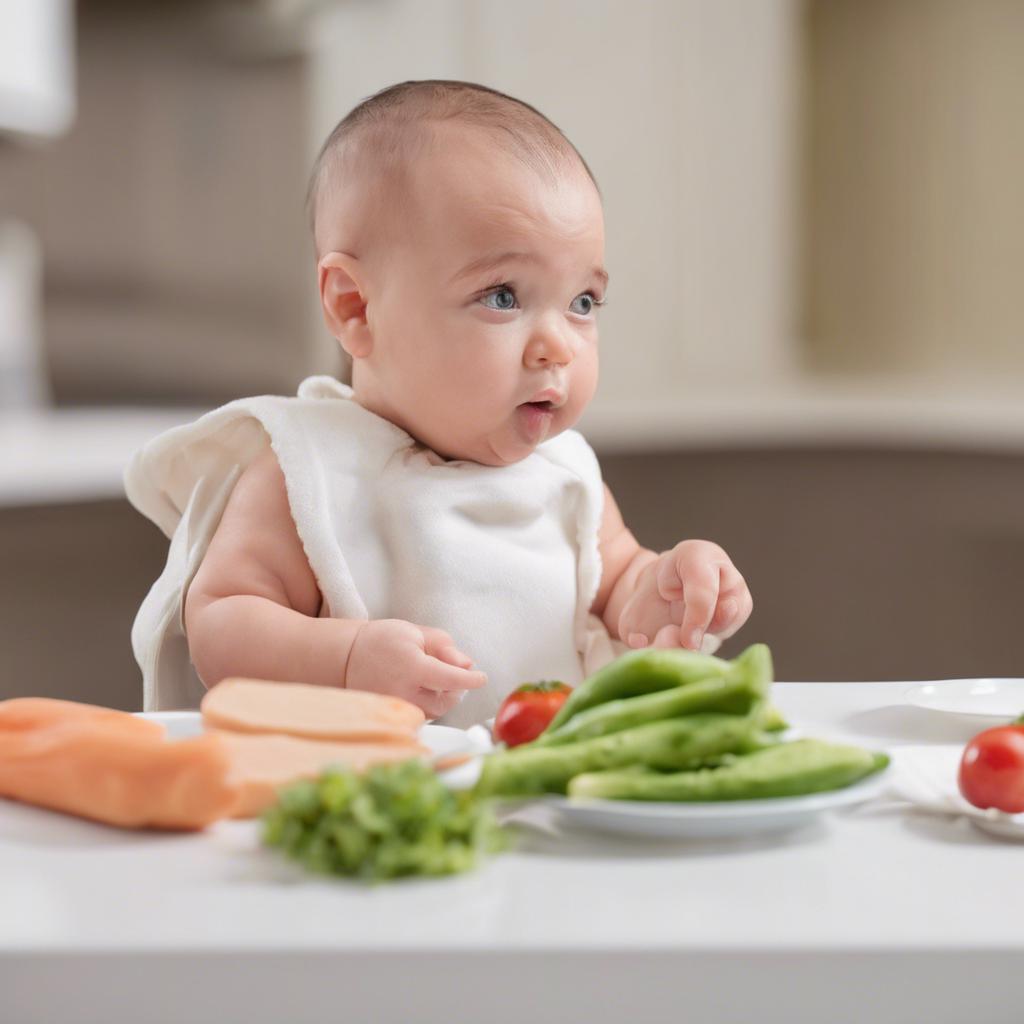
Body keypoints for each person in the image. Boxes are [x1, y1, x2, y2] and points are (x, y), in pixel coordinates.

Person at [125, 80, 753, 728]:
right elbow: (221, 623)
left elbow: (619, 587)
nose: (558, 346)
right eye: (503, 296)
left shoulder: (564, 475)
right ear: (356, 307)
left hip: (542, 801)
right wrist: (346, 659)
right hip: (369, 799)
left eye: (582, 303)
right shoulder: (307, 470)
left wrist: (671, 589)